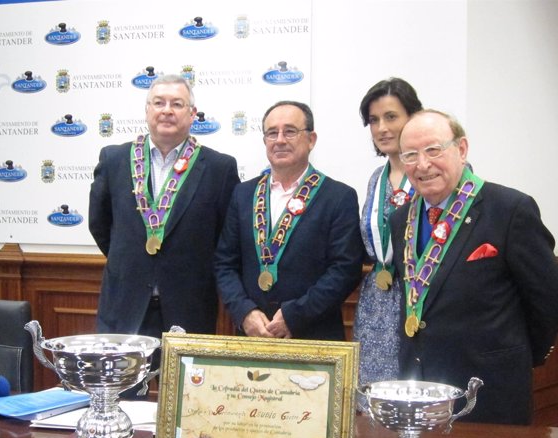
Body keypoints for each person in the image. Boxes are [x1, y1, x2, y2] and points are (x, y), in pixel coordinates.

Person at [390, 109, 558, 425]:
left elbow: (549, 296)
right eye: (411, 155)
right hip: (419, 384)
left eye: (433, 150)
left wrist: (521, 354)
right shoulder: (401, 219)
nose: (423, 164)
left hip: (489, 388)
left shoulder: (510, 210)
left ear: (461, 149)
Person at [88, 74, 239, 350]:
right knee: (122, 392)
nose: (167, 110)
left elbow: (225, 239)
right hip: (124, 304)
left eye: (177, 104)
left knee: (185, 392)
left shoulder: (220, 168)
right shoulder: (114, 160)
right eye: (159, 103)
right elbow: (100, 224)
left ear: (192, 114)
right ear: (147, 111)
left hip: (190, 307)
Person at [214, 101, 363, 341]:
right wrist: (245, 312)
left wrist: (295, 316)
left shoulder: (338, 197)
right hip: (253, 335)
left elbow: (344, 270)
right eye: (272, 133)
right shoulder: (243, 194)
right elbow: (224, 263)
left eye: (290, 131)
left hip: (313, 336)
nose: (280, 140)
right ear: (265, 141)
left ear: (311, 139)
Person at [354, 78, 423, 399]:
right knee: (374, 402)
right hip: (377, 303)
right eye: (373, 120)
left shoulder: (434, 174)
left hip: (420, 297)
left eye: (391, 117)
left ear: (414, 117)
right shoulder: (375, 179)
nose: (381, 127)